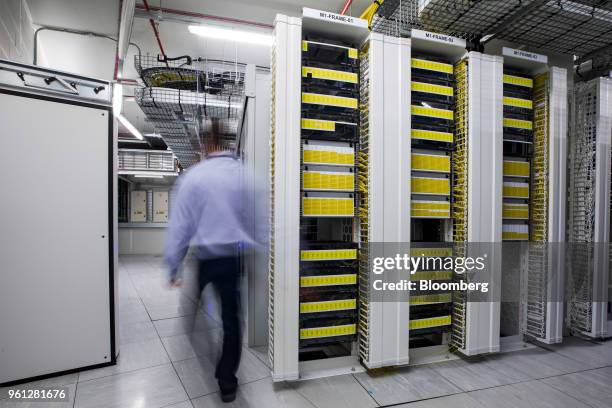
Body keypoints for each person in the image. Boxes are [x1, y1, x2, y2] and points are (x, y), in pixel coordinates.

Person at [164, 118, 258, 403]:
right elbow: (257, 223)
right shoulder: (244, 175)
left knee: (192, 316)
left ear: (205, 143)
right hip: (232, 259)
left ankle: (203, 361)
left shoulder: (193, 177)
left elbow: (180, 227)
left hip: (204, 259)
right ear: (226, 142)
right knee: (232, 321)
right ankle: (226, 380)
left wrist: (173, 266)